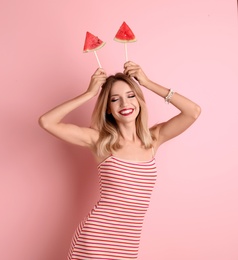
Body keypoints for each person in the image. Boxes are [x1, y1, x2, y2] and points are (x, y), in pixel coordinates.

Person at [38, 61, 201, 260]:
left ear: (139, 101)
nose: (125, 104)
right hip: (95, 241)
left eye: (131, 96)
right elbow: (47, 121)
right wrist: (89, 94)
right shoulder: (100, 140)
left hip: (127, 245)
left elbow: (193, 111)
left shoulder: (153, 139)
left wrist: (147, 83)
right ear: (108, 109)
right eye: (115, 100)